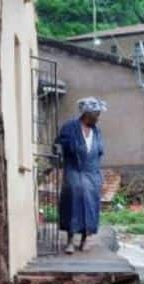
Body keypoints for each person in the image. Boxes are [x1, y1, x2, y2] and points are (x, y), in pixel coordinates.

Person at [55, 97, 107, 254]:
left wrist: (99, 176)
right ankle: (70, 241)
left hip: (92, 173)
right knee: (73, 204)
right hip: (74, 171)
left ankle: (85, 239)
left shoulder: (96, 131)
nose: (98, 117)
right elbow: (58, 145)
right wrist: (59, 156)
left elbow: (98, 153)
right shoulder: (70, 128)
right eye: (96, 114)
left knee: (90, 206)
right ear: (87, 114)